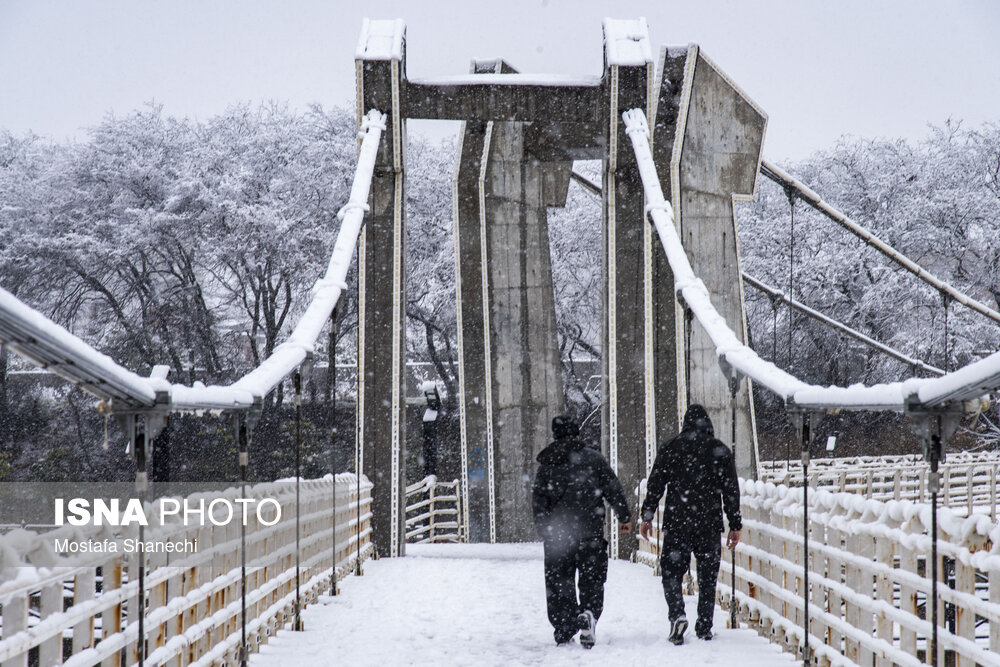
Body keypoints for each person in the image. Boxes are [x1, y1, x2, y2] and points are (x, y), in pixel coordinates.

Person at [638, 404, 742, 645]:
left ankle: (677, 614)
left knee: (672, 572)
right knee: (707, 577)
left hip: (677, 522)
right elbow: (731, 491)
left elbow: (655, 484)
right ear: (708, 424)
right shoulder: (720, 451)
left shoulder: (670, 448)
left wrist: (647, 515)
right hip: (709, 524)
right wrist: (735, 524)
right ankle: (704, 626)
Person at [532, 414, 633, 649]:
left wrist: (545, 529)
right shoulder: (594, 459)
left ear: (555, 434)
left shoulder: (547, 464)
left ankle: (564, 626)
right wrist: (624, 516)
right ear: (577, 433)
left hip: (558, 537)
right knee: (592, 579)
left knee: (559, 583)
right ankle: (588, 613)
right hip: (590, 533)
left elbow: (539, 502)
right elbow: (613, 488)